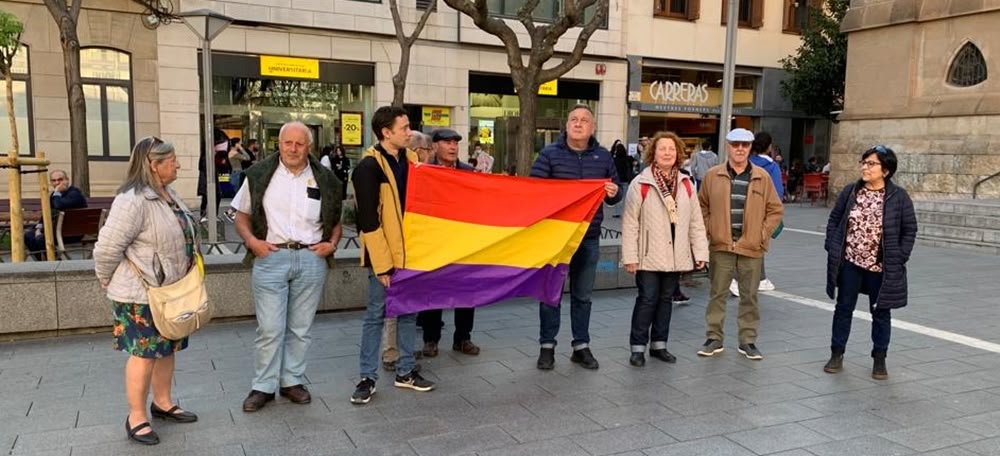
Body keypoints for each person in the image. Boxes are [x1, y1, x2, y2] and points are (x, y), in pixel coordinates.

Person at [93, 137, 200, 446]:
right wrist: (106, 280)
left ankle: (163, 403)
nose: (178, 164)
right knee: (144, 354)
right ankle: (136, 416)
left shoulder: (168, 195)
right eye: (172, 160)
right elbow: (107, 250)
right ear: (154, 165)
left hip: (170, 291)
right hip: (140, 295)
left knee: (167, 348)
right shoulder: (133, 200)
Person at [233, 121, 343, 413]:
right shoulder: (258, 175)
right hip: (271, 257)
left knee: (300, 328)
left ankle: (291, 380)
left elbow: (335, 221)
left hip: (310, 258)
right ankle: (263, 386)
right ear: (278, 145)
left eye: (299, 143)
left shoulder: (326, 179)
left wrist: (331, 243)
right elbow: (241, 216)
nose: (293, 149)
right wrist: (252, 243)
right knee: (269, 328)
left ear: (309, 146)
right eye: (287, 143)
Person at [351, 106, 435, 405]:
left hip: (411, 255)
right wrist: (383, 265)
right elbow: (369, 222)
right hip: (384, 259)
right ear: (386, 133)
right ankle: (367, 377)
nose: (409, 132)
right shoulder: (368, 168)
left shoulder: (411, 162)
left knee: (409, 312)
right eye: (404, 128)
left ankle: (405, 371)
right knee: (375, 315)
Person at [531, 104, 622, 371]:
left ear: (592, 128)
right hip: (556, 238)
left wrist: (614, 191)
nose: (578, 124)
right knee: (551, 294)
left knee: (583, 296)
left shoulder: (604, 157)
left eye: (584, 120)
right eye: (573, 119)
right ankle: (547, 346)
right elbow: (535, 190)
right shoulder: (549, 154)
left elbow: (616, 195)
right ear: (566, 125)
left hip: (589, 237)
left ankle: (581, 346)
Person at [823, 145, 916, 380]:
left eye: (871, 163)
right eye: (863, 162)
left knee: (881, 313)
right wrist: (832, 245)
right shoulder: (851, 192)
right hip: (850, 263)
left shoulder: (898, 197)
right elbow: (835, 219)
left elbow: (909, 229)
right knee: (843, 308)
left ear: (885, 170)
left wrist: (899, 256)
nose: (865, 167)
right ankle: (837, 353)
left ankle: (879, 358)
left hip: (880, 268)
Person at [622, 132, 708, 367]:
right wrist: (630, 256)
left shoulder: (686, 183)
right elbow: (630, 223)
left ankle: (659, 344)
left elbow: (696, 222)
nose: (667, 153)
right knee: (647, 298)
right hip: (648, 254)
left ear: (678, 153)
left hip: (676, 253)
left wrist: (700, 253)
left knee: (666, 299)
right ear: (653, 153)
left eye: (672, 149)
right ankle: (637, 347)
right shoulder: (640, 183)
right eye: (662, 149)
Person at [696, 128, 783, 361]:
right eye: (735, 144)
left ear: (750, 147)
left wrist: (762, 234)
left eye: (745, 145)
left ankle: (748, 341)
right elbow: (701, 205)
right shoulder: (713, 175)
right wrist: (709, 228)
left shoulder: (762, 177)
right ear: (728, 146)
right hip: (721, 245)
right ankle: (714, 337)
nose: (740, 149)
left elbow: (775, 209)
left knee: (750, 296)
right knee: (717, 293)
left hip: (751, 246)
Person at [417, 128, 481, 358]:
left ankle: (463, 338)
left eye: (455, 142)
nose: (453, 147)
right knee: (434, 292)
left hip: (463, 241)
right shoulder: (425, 171)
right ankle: (431, 339)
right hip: (434, 242)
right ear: (435, 146)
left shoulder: (469, 172)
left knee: (466, 292)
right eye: (447, 142)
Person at [380, 130, 432, 373]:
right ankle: (392, 353)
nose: (428, 155)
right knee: (396, 301)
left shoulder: (411, 171)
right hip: (398, 246)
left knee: (405, 304)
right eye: (427, 150)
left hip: (412, 246)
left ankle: (402, 352)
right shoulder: (408, 171)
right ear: (418, 151)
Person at [731, 132, 785, 296]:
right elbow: (777, 192)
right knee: (756, 243)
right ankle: (736, 279)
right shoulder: (772, 166)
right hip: (760, 210)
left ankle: (760, 278)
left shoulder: (744, 162)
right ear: (769, 147)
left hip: (739, 207)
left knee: (743, 241)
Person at [24, 170, 88, 259]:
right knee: (28, 236)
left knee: (41, 239)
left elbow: (58, 205)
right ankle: (42, 262)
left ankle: (54, 261)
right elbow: (47, 212)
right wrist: (38, 228)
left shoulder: (75, 194)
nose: (57, 183)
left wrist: (56, 191)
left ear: (67, 180)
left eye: (60, 180)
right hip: (57, 231)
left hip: (73, 234)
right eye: (53, 181)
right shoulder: (54, 196)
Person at [611, 140, 635, 219]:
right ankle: (625, 212)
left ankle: (617, 212)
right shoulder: (628, 158)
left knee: (617, 196)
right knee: (626, 196)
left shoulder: (614, 160)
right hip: (625, 179)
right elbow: (633, 164)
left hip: (617, 179)